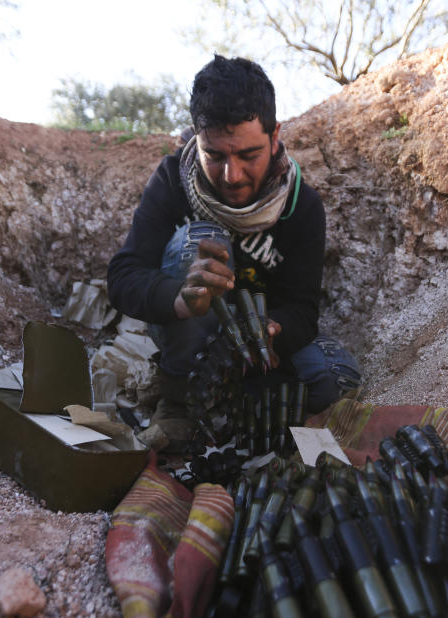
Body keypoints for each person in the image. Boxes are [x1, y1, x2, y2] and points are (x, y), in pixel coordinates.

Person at [107, 54, 361, 451]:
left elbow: (303, 310)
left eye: (248, 155)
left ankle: (238, 405)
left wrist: (275, 329)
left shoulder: (301, 205)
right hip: (187, 331)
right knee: (201, 240)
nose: (232, 176)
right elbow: (123, 277)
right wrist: (179, 299)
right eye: (215, 156)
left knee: (335, 377)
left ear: (275, 135)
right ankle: (177, 401)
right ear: (197, 137)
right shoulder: (173, 179)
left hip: (256, 352)